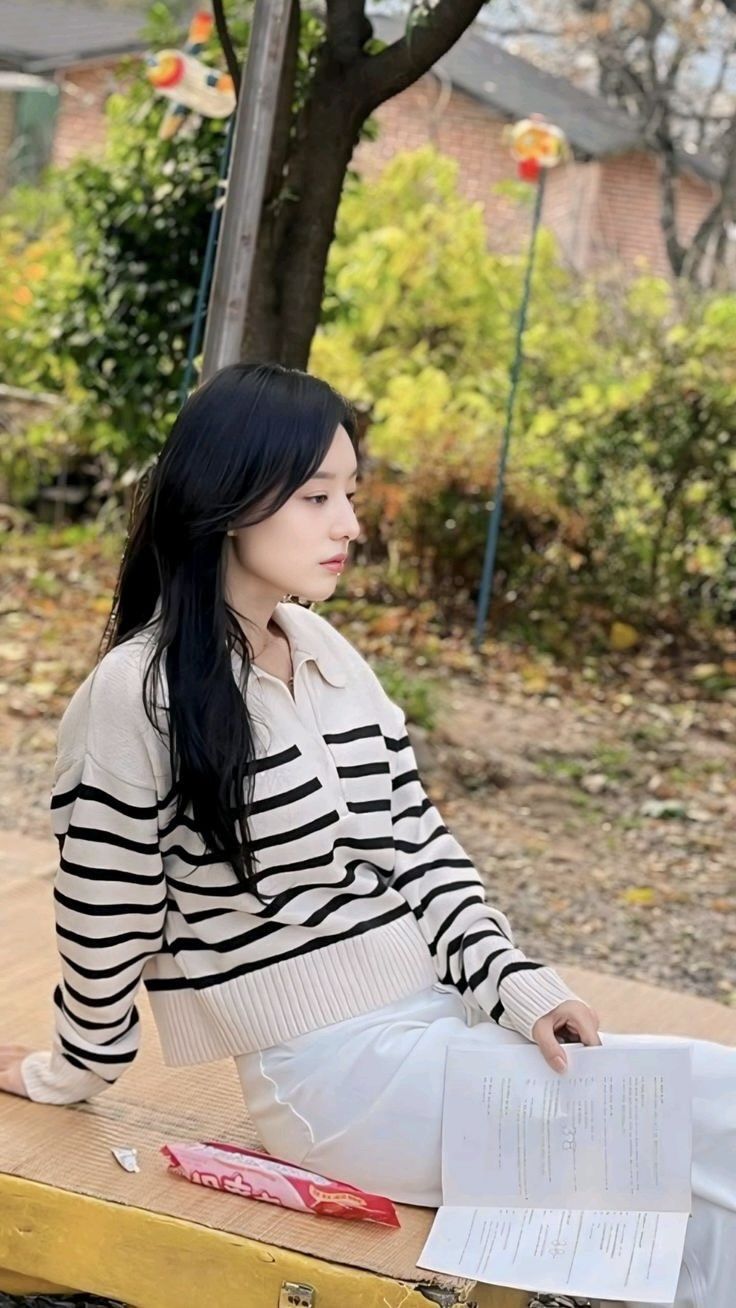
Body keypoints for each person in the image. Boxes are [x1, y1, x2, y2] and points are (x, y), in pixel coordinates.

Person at [0, 363, 733, 1308]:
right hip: (338, 1086)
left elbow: (418, 844)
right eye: (316, 497)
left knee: (697, 1163)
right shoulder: (138, 696)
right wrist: (66, 1072)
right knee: (698, 1113)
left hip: (439, 1024)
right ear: (228, 498)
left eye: (350, 494)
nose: (349, 523)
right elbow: (109, 920)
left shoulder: (328, 655)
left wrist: (511, 981)